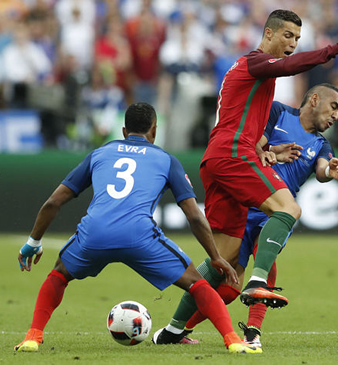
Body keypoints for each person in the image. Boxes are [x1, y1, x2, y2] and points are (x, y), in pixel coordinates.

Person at [152, 9, 338, 344]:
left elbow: (248, 122)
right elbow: (293, 67)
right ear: (268, 34)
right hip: (232, 154)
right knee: (288, 209)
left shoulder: (260, 78)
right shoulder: (255, 62)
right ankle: (259, 281)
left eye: (297, 38)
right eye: (287, 36)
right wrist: (333, 49)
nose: (292, 43)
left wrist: (266, 149)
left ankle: (173, 331)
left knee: (224, 263)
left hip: (221, 157)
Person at [14, 102, 261, 354]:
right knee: (197, 285)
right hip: (139, 236)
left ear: (123, 131)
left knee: (59, 274)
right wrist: (215, 257)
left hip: (94, 234)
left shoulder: (100, 153)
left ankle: (33, 337)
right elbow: (195, 217)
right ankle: (232, 340)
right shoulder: (166, 160)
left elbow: (53, 201)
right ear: (154, 131)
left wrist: (33, 241)